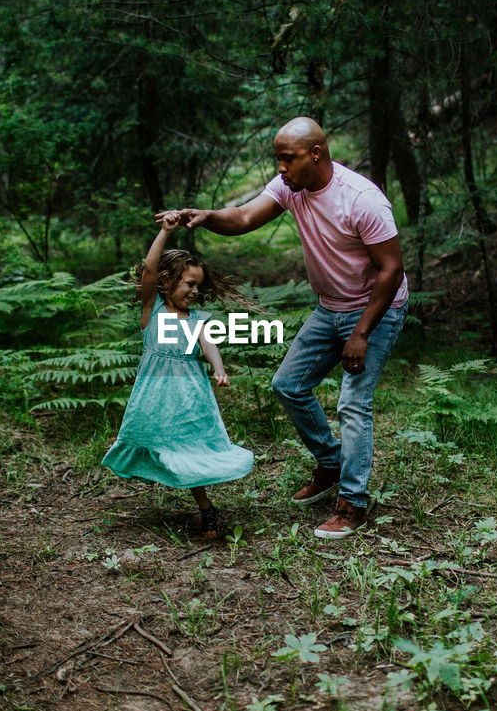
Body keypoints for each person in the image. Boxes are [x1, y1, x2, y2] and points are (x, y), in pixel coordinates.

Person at [165, 116, 407, 539]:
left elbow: (391, 269)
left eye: (288, 159)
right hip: (329, 307)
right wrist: (204, 216)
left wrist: (361, 334)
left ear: (315, 154)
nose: (280, 168)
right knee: (289, 384)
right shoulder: (291, 188)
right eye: (277, 159)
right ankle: (331, 464)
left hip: (375, 309)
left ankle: (353, 502)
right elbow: (241, 218)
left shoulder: (362, 199)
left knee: (352, 403)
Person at [101, 211, 253, 538]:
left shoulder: (196, 317)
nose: (196, 291)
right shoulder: (152, 310)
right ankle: (172, 485)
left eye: (199, 285)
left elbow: (208, 342)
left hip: (189, 397)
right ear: (167, 282)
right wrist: (166, 233)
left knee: (191, 449)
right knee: (155, 445)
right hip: (155, 398)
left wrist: (219, 368)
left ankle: (206, 510)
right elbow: (151, 268)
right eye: (190, 283)